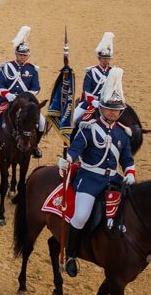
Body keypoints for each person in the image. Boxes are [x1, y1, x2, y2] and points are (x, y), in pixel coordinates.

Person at [58, 69, 136, 276]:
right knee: (81, 216)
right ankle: (71, 254)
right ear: (101, 108)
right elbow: (76, 149)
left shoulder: (123, 133)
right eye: (109, 109)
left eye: (116, 110)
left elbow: (127, 159)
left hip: (114, 179)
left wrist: (130, 173)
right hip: (90, 178)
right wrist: (68, 159)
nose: (112, 113)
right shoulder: (88, 127)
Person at [0, 25, 44, 158]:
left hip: (26, 103)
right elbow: (0, 85)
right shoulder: (6, 67)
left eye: (25, 55)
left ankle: (35, 147)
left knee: (42, 122)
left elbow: (36, 88)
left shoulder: (32, 70)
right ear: (16, 54)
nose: (23, 57)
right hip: (6, 100)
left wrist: (26, 97)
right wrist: (8, 95)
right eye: (20, 55)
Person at [76, 32, 116, 124]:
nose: (105, 60)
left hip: (107, 103)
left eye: (107, 58)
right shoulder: (91, 71)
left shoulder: (113, 72)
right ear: (99, 58)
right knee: (73, 119)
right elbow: (86, 89)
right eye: (103, 58)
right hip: (91, 102)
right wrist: (93, 101)